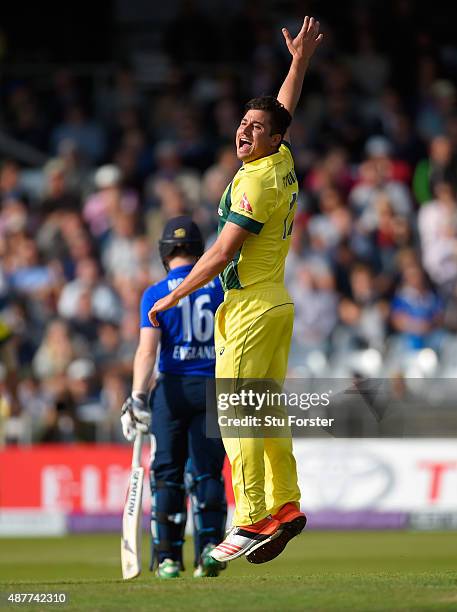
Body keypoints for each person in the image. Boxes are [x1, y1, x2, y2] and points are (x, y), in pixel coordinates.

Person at [147, 17, 323, 565]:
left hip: (248, 308)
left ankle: (249, 519)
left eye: (255, 127)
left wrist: (173, 297)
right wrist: (298, 62)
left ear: (270, 139)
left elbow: (221, 253)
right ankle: (285, 505)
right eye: (242, 123)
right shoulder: (280, 158)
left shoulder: (254, 182)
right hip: (275, 302)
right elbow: (283, 110)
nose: (244, 132)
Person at [120, 216, 227, 578]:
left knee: (167, 475)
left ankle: (167, 558)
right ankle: (210, 550)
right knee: (208, 474)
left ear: (165, 251)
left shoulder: (155, 293)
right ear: (199, 251)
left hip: (172, 391)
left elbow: (146, 352)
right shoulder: (219, 290)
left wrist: (136, 396)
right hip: (214, 388)